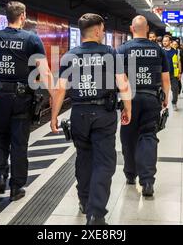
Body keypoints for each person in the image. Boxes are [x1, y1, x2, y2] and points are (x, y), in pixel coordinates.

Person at [51, 13, 132, 225]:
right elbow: (123, 84)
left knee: (84, 158)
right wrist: (127, 108)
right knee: (104, 162)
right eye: (103, 30)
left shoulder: (70, 56)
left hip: (78, 113)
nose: (103, 33)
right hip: (104, 114)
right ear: (96, 31)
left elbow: (60, 89)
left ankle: (84, 201)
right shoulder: (110, 53)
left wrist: (53, 117)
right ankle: (96, 213)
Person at [0, 1, 54, 199]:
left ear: (6, 17)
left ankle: (0, 174)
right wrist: (54, 96)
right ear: (23, 16)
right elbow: (45, 72)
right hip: (21, 98)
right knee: (19, 143)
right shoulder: (32, 40)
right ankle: (16, 187)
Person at [117, 15, 170, 197]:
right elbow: (165, 79)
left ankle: (130, 174)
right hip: (151, 99)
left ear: (132, 29)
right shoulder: (158, 50)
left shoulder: (122, 50)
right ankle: (147, 182)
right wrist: (166, 98)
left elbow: (117, 79)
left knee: (128, 137)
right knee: (148, 137)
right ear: (147, 29)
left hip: (128, 99)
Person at [162, 35, 181, 111]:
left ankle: (174, 102)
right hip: (163, 73)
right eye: (163, 41)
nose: (164, 42)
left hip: (173, 73)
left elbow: (178, 62)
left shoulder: (175, 51)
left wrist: (179, 72)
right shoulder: (161, 51)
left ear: (170, 42)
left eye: (166, 41)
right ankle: (162, 102)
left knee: (175, 89)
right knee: (163, 89)